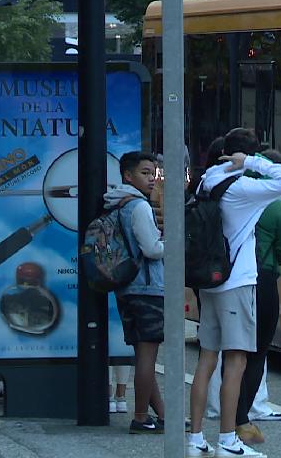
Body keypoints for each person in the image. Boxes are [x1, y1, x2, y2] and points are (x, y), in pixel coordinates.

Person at [187, 128, 281, 457]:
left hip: (209, 280)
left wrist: (238, 161)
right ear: (251, 154)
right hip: (236, 283)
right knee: (236, 361)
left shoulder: (209, 178)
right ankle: (227, 439)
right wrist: (253, 162)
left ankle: (195, 438)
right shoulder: (246, 188)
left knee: (207, 359)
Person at [104, 151, 165, 434]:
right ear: (128, 175)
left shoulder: (116, 204)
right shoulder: (138, 207)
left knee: (143, 354)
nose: (151, 179)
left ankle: (164, 415)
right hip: (147, 286)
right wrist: (171, 242)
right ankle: (140, 417)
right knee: (147, 355)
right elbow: (152, 249)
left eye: (152, 173)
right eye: (144, 173)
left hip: (126, 287)